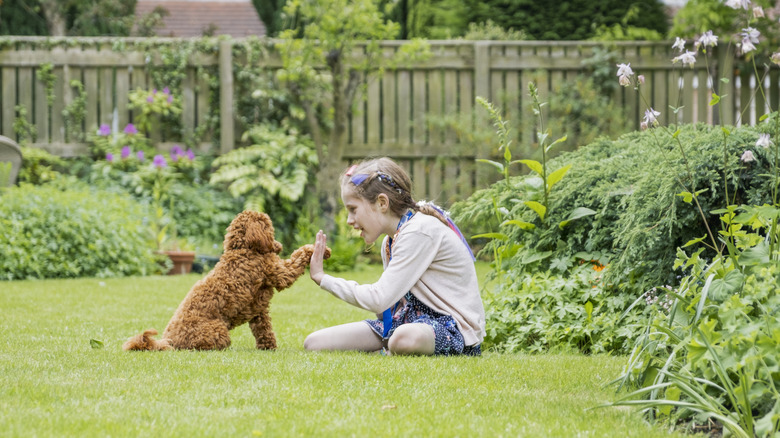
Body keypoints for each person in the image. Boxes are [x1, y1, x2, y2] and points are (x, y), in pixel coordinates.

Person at [305, 157, 485, 356]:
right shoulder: (390, 241)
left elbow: (378, 299)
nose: (349, 220)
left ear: (382, 203)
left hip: (450, 330)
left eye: (353, 209)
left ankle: (390, 349)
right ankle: (389, 349)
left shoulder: (419, 231)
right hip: (408, 321)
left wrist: (323, 279)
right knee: (315, 342)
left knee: (403, 338)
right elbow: (386, 308)